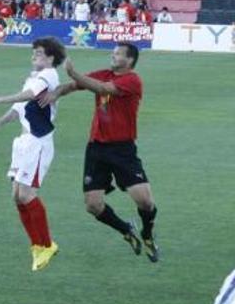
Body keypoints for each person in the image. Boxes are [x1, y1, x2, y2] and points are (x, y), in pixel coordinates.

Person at [40, 43, 160, 262]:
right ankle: (126, 229)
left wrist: (74, 73)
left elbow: (104, 89)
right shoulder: (103, 75)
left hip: (123, 149)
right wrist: (57, 92)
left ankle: (147, 234)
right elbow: (75, 85)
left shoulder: (132, 80)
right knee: (93, 206)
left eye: (117, 54)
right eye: (112, 53)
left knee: (145, 202)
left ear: (129, 60)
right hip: (97, 148)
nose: (112, 56)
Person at [0, 38, 66, 271]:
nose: (34, 56)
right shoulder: (33, 76)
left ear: (50, 58)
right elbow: (20, 109)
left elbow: (29, 95)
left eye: (39, 53)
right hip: (24, 142)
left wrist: (0, 98)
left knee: (27, 194)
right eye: (34, 52)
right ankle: (37, 246)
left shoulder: (49, 75)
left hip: (38, 142)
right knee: (17, 196)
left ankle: (46, 245)